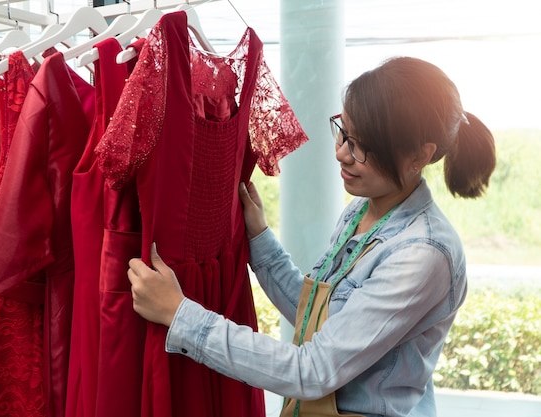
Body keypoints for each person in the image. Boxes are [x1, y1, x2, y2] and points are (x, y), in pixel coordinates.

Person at [126, 56, 496, 417]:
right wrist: (259, 237)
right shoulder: (362, 211)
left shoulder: (423, 254)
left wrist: (180, 315)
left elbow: (312, 370)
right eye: (343, 131)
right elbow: (317, 319)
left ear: (419, 155)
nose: (340, 154)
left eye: (361, 147)